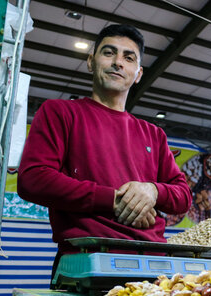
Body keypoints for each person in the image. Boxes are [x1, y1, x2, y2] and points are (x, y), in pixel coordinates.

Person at [17, 24, 192, 276]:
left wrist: (152, 190)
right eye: (109, 53)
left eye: (128, 57)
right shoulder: (60, 112)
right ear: (91, 61)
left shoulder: (154, 134)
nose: (118, 62)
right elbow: (33, 179)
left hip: (154, 266)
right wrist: (115, 201)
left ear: (139, 73)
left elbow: (183, 196)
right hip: (87, 262)